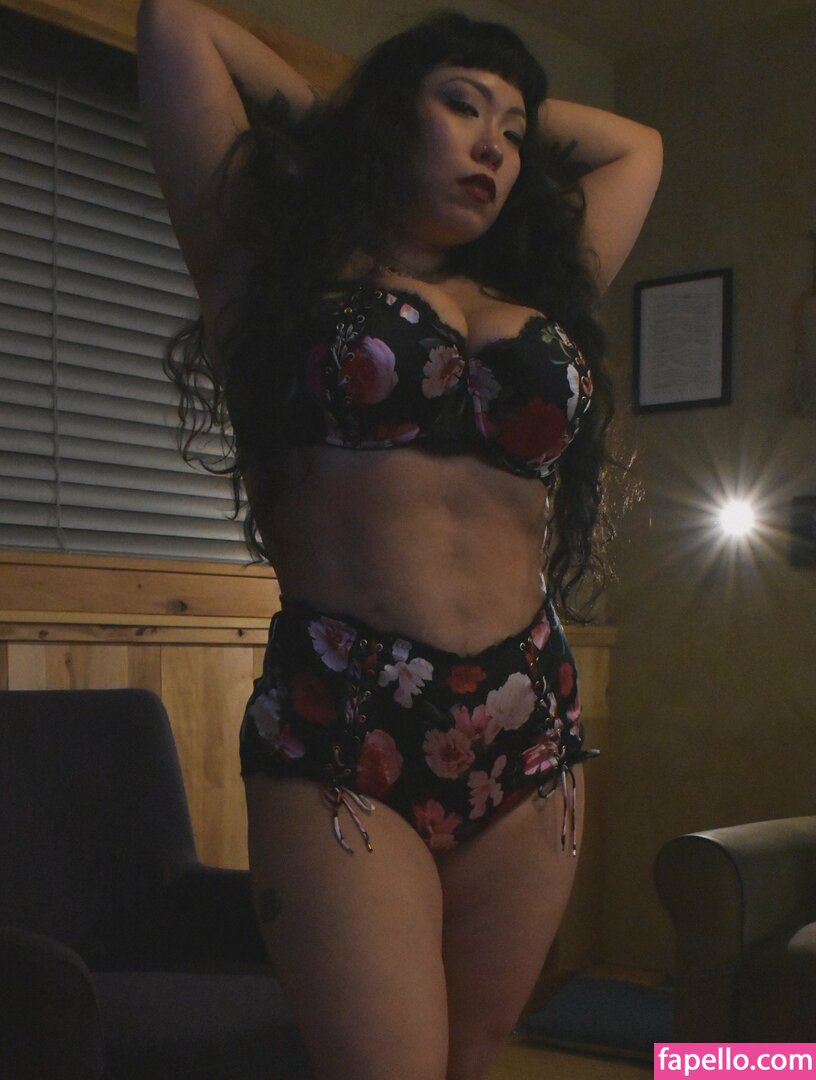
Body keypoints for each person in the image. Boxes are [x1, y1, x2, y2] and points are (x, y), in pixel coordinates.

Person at [137, 2, 662, 1077]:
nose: (496, 148)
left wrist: (481, 108)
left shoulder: (539, 291)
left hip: (528, 721)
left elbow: (637, 149)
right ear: (386, 120)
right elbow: (174, 23)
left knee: (472, 1062)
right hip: (342, 728)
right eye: (461, 107)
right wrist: (349, 113)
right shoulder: (269, 276)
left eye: (515, 132)